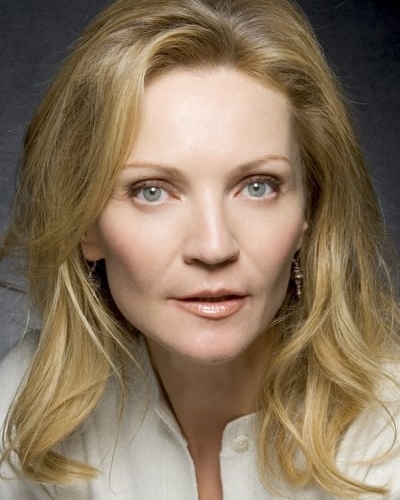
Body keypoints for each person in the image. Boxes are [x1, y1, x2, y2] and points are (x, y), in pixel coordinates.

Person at [1, 0, 399, 498]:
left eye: (258, 187)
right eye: (151, 191)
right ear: (86, 224)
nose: (213, 247)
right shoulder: (17, 411)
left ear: (309, 212)